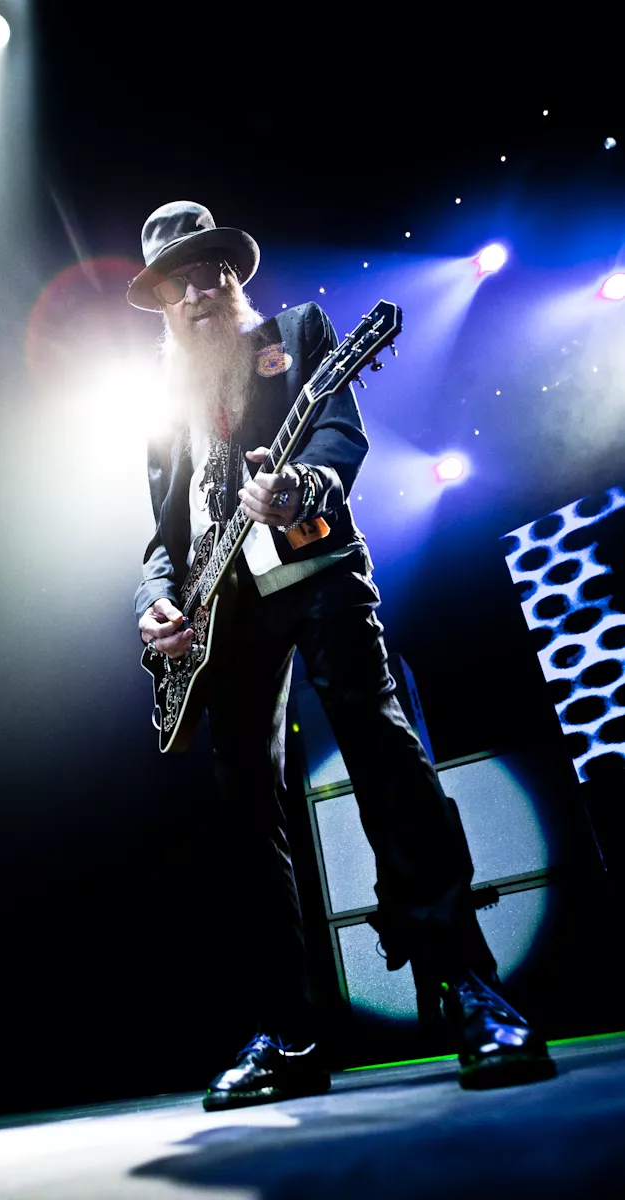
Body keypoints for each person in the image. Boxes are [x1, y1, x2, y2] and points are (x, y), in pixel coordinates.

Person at [128, 201, 555, 1111]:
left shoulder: (299, 335)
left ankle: (464, 982)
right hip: (221, 621)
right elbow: (163, 536)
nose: (198, 293)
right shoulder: (160, 407)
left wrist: (302, 488)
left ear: (234, 277)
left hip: (316, 572)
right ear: (160, 303)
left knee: (385, 755)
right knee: (245, 809)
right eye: (178, 284)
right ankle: (288, 1031)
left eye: (211, 273)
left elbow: (338, 433)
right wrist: (154, 603)